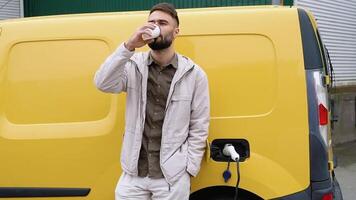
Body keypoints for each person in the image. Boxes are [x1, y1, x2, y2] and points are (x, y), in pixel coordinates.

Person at [94, 2, 210, 200]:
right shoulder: (132, 66)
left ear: (176, 32)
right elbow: (103, 83)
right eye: (151, 22)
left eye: (163, 23)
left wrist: (188, 168)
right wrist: (129, 46)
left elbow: (199, 125)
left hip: (171, 177)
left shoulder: (194, 74)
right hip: (133, 175)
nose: (155, 26)